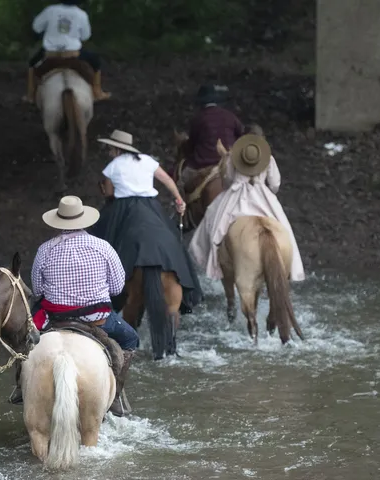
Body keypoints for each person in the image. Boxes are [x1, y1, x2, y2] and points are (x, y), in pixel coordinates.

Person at [8, 195, 138, 417]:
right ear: (85, 220)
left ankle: (21, 387)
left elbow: (37, 290)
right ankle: (115, 395)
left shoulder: (45, 249)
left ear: (59, 221)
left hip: (56, 320)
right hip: (99, 320)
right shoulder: (103, 247)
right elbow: (117, 288)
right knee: (130, 339)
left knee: (25, 343)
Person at [90, 130, 203, 312]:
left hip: (123, 207)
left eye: (111, 148)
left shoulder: (112, 166)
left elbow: (109, 193)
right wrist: (179, 200)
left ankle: (97, 289)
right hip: (150, 206)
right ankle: (187, 285)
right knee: (173, 240)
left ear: (117, 149)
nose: (110, 152)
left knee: (100, 236)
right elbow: (167, 180)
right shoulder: (147, 160)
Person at [189, 126, 305, 281]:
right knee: (284, 228)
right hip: (262, 196)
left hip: (236, 197)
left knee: (213, 217)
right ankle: (289, 268)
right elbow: (275, 184)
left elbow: (228, 180)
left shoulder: (232, 157)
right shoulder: (268, 159)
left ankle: (214, 261)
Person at [24, 0, 110, 103]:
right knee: (96, 62)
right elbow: (85, 36)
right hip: (73, 55)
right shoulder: (81, 14)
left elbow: (36, 27)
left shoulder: (50, 10)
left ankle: (30, 95)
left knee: (32, 65)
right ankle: (97, 92)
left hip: (50, 54)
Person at [178, 83, 245, 189]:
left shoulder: (198, 119)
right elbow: (241, 136)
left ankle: (182, 204)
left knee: (183, 180)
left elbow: (192, 144)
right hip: (229, 162)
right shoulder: (230, 116)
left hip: (204, 162)